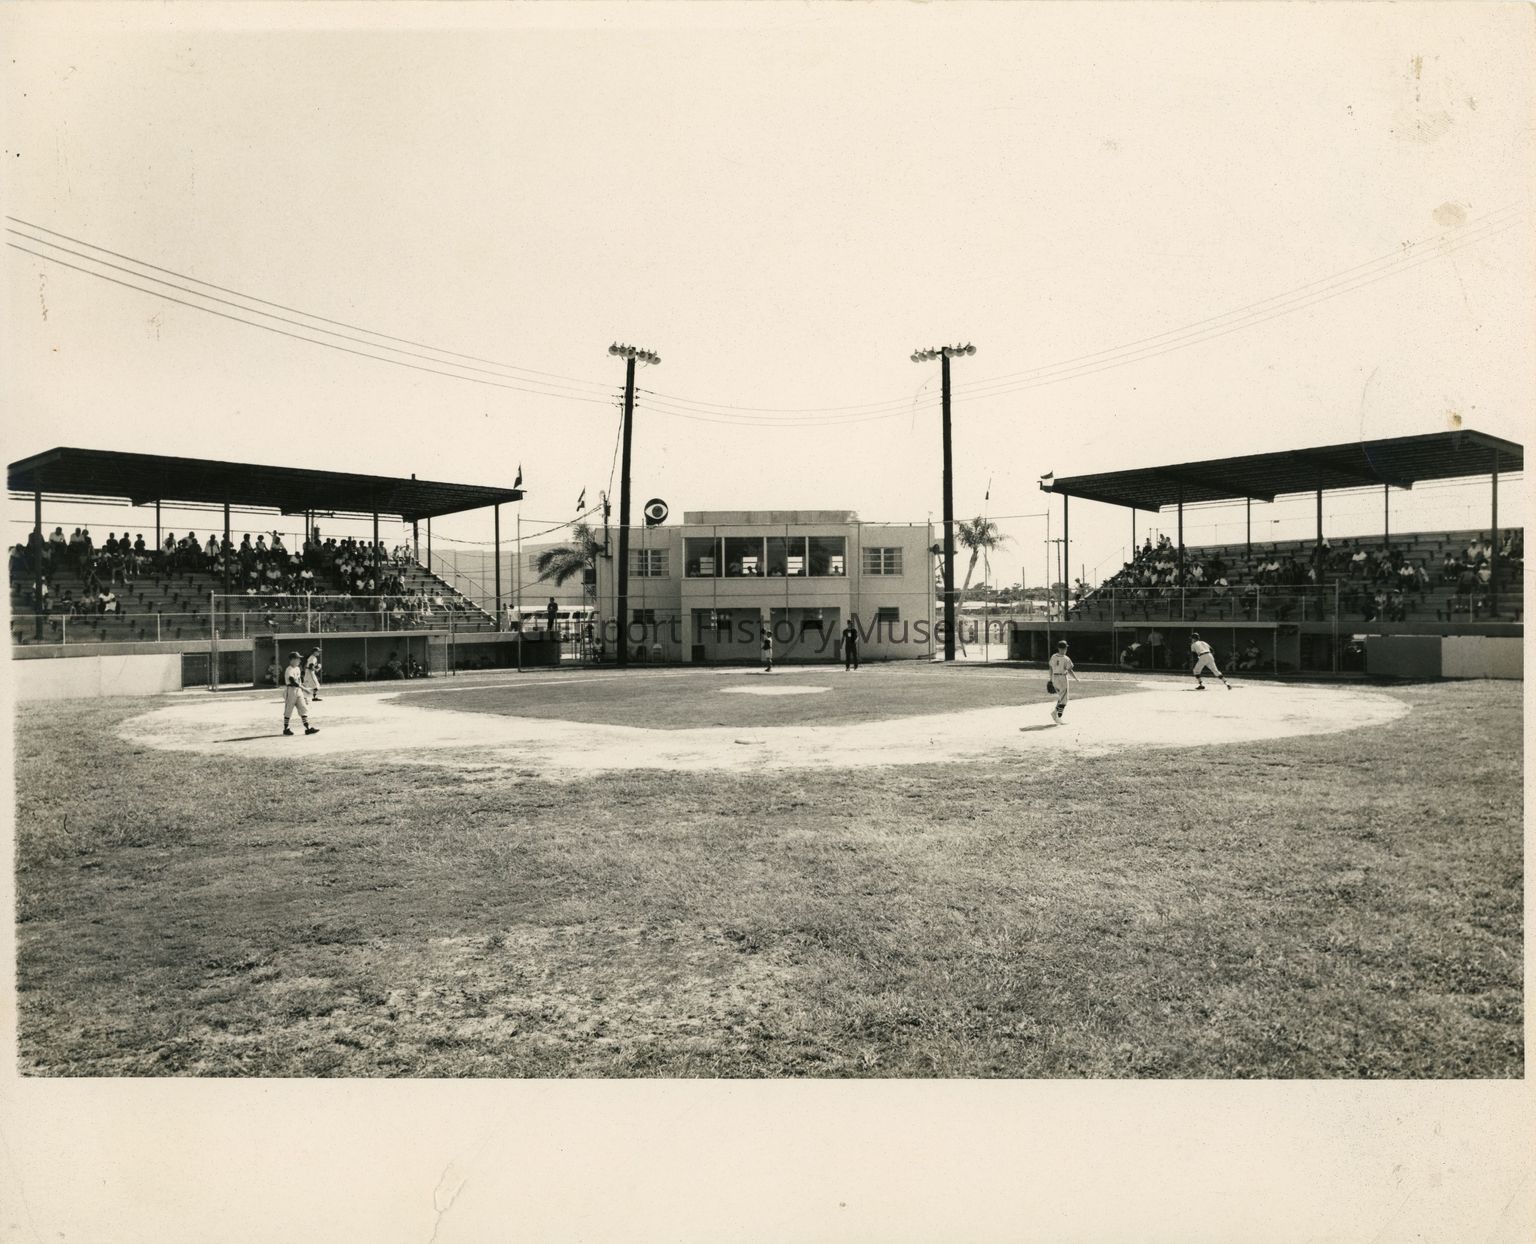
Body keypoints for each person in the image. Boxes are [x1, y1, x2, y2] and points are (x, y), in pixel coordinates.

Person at [281, 652, 319, 736]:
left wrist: (303, 691)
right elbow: (292, 682)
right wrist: (305, 689)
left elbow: (299, 682)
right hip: (290, 691)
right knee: (288, 710)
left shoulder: (297, 668)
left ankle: (308, 728)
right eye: (297, 658)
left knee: (303, 708)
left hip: (298, 691)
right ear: (292, 660)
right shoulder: (289, 669)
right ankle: (286, 729)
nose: (299, 660)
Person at [1044, 639, 1079, 726]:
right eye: (1065, 648)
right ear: (1063, 649)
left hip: (1055, 678)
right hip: (1062, 678)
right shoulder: (1066, 658)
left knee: (1061, 698)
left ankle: (1055, 713)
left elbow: (1050, 668)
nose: (1066, 650)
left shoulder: (1053, 656)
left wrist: (1051, 679)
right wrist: (1076, 678)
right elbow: (1070, 670)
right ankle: (1058, 716)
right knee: (1064, 699)